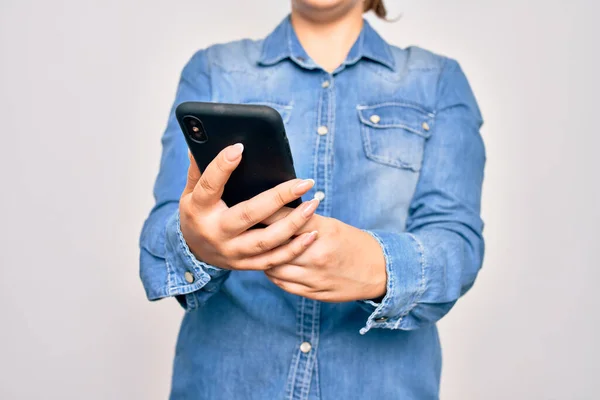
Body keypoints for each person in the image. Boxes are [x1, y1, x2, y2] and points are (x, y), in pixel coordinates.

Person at [139, 0, 485, 398]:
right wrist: (194, 241)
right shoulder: (214, 69)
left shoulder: (438, 80)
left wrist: (376, 264)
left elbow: (458, 242)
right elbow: (160, 236)